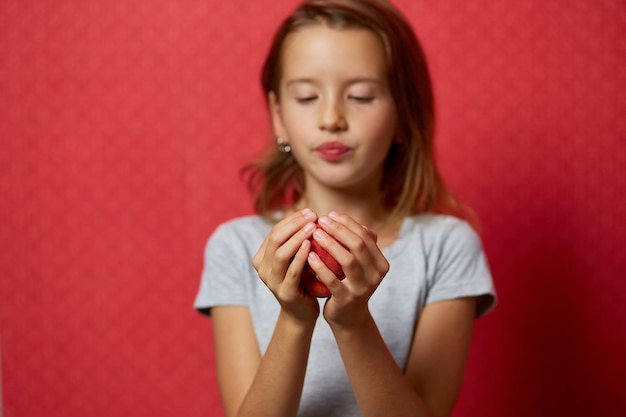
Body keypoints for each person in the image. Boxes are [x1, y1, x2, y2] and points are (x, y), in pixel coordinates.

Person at [194, 0, 496, 416]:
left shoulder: (446, 246)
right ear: (278, 116)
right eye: (306, 97)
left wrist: (352, 322)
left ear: (404, 116)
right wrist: (296, 319)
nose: (332, 117)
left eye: (360, 96)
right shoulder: (235, 246)